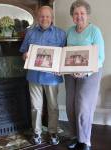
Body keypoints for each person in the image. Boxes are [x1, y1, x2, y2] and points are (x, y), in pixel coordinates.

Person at [20, 6, 66, 145]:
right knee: (35, 107)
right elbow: (23, 53)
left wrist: (60, 68)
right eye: (42, 16)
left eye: (47, 16)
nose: (44, 19)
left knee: (53, 106)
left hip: (52, 77)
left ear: (52, 18)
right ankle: (37, 133)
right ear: (37, 18)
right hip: (34, 76)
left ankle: (53, 133)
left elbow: (64, 56)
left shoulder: (61, 34)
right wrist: (26, 56)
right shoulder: (30, 33)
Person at [64, 0, 105, 150]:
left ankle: (85, 140)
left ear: (87, 15)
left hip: (90, 73)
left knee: (83, 107)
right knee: (70, 106)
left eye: (82, 13)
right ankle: (75, 136)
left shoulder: (95, 31)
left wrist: (85, 71)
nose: (79, 16)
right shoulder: (69, 31)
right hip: (70, 74)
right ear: (72, 16)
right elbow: (64, 54)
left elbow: (100, 57)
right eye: (75, 13)